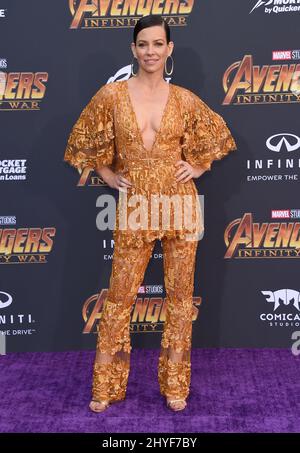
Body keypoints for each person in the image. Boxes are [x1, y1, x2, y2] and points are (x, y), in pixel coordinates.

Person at [63, 14, 237, 413]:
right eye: (143, 44)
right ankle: (106, 386)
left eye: (158, 44)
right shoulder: (112, 96)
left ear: (169, 49)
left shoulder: (185, 98)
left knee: (179, 300)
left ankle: (175, 385)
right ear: (133, 49)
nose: (150, 52)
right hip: (137, 205)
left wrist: (199, 166)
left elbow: (218, 137)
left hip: (179, 205)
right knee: (120, 298)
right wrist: (107, 174)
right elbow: (81, 140)